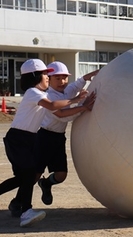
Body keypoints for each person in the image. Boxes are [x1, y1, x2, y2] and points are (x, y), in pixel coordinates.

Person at [1, 58, 88, 227]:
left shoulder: (42, 94)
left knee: (23, 178)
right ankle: (26, 211)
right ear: (34, 77)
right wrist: (77, 100)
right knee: (28, 174)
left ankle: (25, 209)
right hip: (18, 139)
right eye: (44, 74)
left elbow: (61, 112)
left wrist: (82, 103)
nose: (48, 77)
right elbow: (55, 105)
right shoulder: (33, 92)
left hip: (28, 139)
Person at [35, 61, 98, 206]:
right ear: (48, 79)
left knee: (61, 175)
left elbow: (77, 84)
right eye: (57, 78)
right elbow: (63, 115)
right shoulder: (49, 96)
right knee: (34, 174)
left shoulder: (67, 91)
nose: (62, 81)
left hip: (58, 137)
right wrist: (83, 107)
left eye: (64, 78)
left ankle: (46, 184)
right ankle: (19, 201)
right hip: (44, 137)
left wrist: (91, 75)